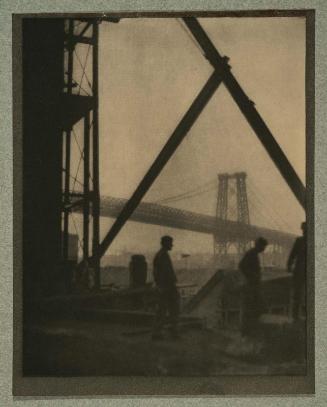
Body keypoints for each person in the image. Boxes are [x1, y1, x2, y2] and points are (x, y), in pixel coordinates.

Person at [152, 235, 180, 340]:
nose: (172, 245)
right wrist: (162, 286)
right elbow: (160, 273)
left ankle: (160, 333)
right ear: (165, 243)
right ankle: (169, 333)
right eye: (170, 243)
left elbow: (157, 273)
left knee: (164, 310)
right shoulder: (162, 255)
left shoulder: (162, 255)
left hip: (166, 286)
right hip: (166, 287)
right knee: (171, 310)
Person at [239, 237, 268, 337]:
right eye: (263, 246)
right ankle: (246, 332)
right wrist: (251, 276)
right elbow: (241, 266)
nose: (264, 249)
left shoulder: (253, 253)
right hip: (251, 285)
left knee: (254, 307)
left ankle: (249, 331)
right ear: (258, 245)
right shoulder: (251, 254)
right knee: (250, 308)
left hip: (253, 285)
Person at [287, 221, 307, 321]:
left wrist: (289, 265)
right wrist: (289, 265)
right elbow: (292, 254)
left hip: (299, 270)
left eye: (304, 229)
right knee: (298, 294)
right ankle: (297, 316)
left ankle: (296, 316)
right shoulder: (300, 241)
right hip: (302, 270)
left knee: (297, 294)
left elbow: (292, 255)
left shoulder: (299, 241)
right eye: (303, 229)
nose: (303, 231)